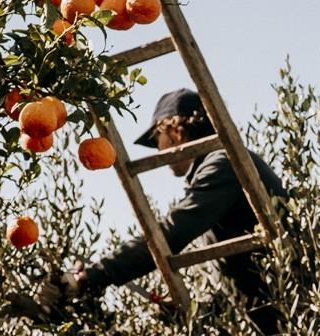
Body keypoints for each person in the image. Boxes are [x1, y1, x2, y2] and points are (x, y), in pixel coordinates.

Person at [39, 88, 287, 334]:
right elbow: (242, 273)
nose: (158, 150)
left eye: (157, 138)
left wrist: (92, 276)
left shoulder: (223, 165)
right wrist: (200, 311)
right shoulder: (219, 167)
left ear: (175, 130)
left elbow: (169, 235)